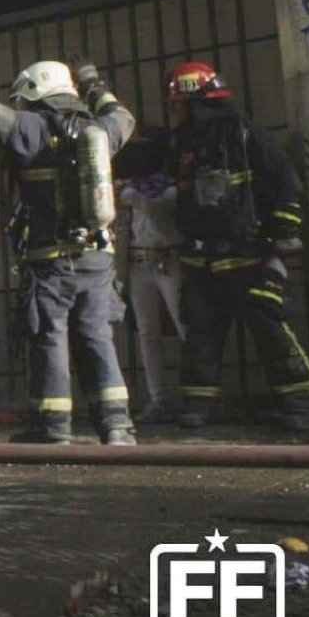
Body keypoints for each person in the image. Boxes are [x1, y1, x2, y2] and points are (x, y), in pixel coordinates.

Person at [0, 46, 137, 445]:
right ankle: (116, 426)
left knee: (49, 336)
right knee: (95, 335)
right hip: (97, 257)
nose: (19, 104)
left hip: (51, 259)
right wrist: (94, 84)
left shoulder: (30, 127)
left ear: (36, 92)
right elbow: (124, 116)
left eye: (23, 97)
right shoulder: (101, 128)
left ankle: (53, 425)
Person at [165, 61, 309, 431]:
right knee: (201, 334)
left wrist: (281, 231)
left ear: (195, 100)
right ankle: (198, 408)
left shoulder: (246, 135)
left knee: (271, 331)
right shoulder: (184, 144)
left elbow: (283, 182)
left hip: (250, 254)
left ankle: (297, 406)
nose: (176, 111)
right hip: (203, 257)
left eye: (179, 103)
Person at [114, 128, 186, 424]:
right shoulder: (128, 189)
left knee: (185, 326)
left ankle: (202, 395)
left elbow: (155, 206)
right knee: (147, 334)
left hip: (168, 260)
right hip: (138, 263)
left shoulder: (170, 188)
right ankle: (160, 400)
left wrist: (131, 195)